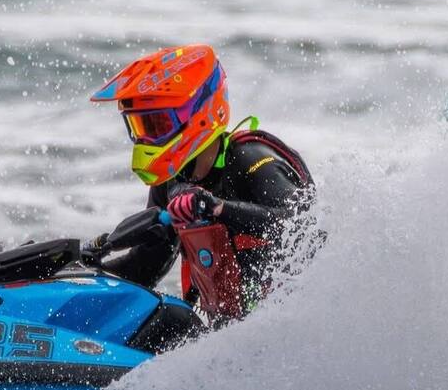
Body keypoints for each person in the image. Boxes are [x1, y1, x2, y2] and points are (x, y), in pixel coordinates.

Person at [88, 44, 313, 314]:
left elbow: (302, 224)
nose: (145, 139)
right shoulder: (171, 179)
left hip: (296, 323)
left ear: (199, 114)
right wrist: (88, 272)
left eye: (156, 126)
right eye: (138, 127)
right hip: (227, 334)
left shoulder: (251, 159)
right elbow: (146, 267)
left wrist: (219, 208)